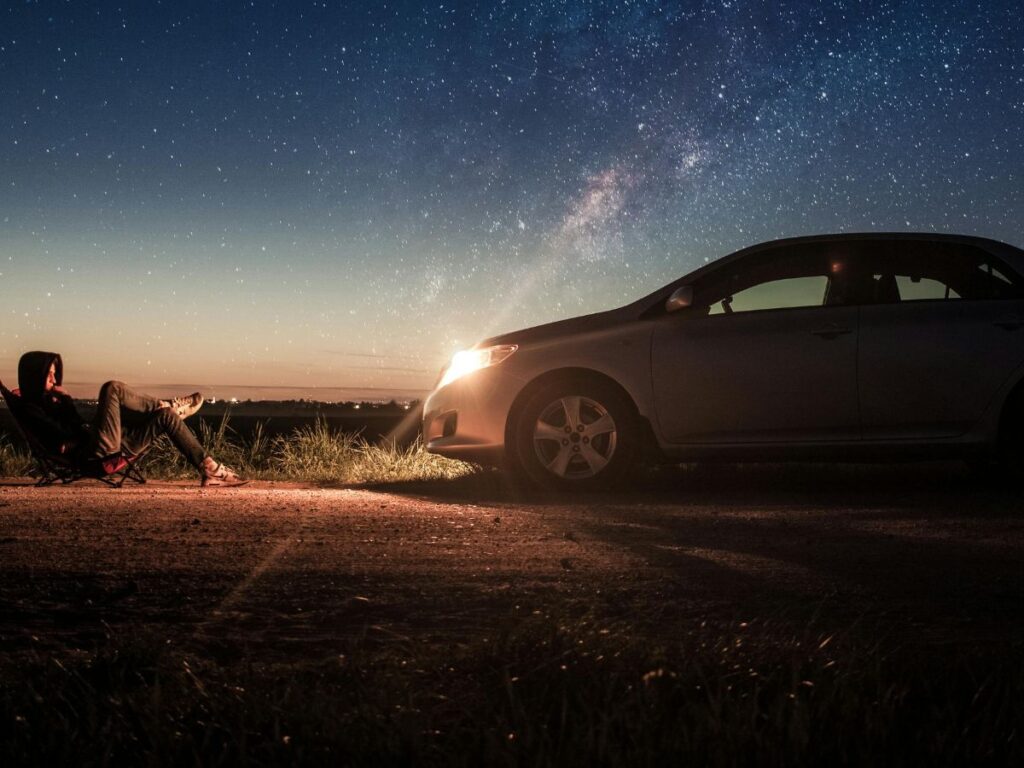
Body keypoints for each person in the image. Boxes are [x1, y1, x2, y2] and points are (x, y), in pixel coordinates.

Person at [16, 351, 245, 487]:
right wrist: (69, 413)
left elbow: (73, 424)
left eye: (55, 373)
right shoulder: (30, 408)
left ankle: (211, 469)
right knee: (112, 389)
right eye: (49, 374)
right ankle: (167, 404)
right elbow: (61, 440)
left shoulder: (51, 401)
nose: (55, 379)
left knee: (165, 418)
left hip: (107, 443)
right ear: (34, 376)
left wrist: (65, 402)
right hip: (95, 454)